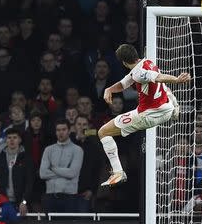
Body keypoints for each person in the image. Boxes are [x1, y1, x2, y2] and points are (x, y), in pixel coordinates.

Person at [97, 44, 191, 186]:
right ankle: (173, 106)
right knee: (164, 90)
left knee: (103, 132)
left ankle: (118, 172)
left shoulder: (138, 73)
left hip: (148, 115)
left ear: (123, 62)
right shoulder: (147, 62)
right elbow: (124, 84)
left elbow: (158, 77)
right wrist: (109, 89)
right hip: (164, 108)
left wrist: (177, 80)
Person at [40, 119, 83, 212]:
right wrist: (64, 171)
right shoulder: (48, 150)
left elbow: (72, 173)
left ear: (69, 130)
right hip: (50, 196)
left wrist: (52, 168)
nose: (61, 133)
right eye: (58, 130)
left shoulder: (77, 150)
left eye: (63, 129)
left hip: (69, 197)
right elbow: (43, 174)